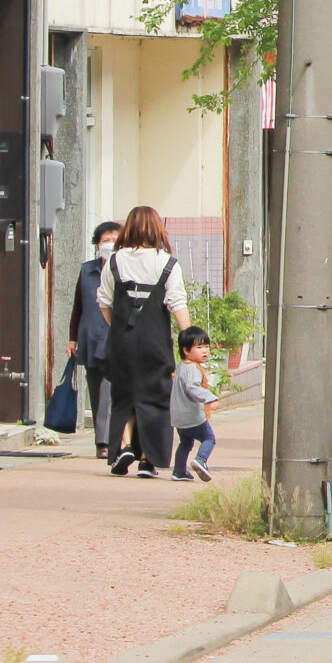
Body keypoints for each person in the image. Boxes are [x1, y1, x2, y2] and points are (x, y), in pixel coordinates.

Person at [98, 204, 190, 477]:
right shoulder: (167, 262)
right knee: (156, 397)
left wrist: (119, 327)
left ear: (129, 228)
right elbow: (177, 303)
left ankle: (126, 446)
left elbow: (103, 302)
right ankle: (148, 460)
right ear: (157, 229)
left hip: (122, 341)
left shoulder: (115, 261)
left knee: (124, 394)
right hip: (155, 341)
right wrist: (188, 339)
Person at [68, 219, 121, 455]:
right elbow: (77, 306)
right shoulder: (87, 270)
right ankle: (104, 440)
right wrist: (72, 338)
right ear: (97, 244)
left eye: (115, 240)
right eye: (106, 240)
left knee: (111, 389)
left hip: (116, 337)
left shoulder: (125, 269)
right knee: (97, 390)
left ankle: (108, 440)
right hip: (91, 337)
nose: (110, 244)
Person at [170, 326, 219, 482]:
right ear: (186, 350)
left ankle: (179, 471)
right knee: (209, 438)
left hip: (179, 417)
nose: (205, 351)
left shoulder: (182, 366)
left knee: (185, 443)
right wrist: (210, 398)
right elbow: (193, 388)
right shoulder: (192, 369)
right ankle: (201, 460)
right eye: (199, 347)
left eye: (207, 347)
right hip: (192, 416)